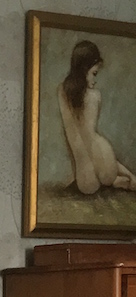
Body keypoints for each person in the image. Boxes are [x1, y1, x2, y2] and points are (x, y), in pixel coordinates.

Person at [57, 39, 136, 195]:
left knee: (91, 183)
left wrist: (75, 173)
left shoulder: (62, 91)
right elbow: (91, 138)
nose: (95, 79)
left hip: (85, 178)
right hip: (103, 164)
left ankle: (115, 180)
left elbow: (72, 136)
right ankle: (116, 180)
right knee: (105, 170)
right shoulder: (94, 96)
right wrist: (129, 173)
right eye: (94, 73)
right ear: (84, 69)